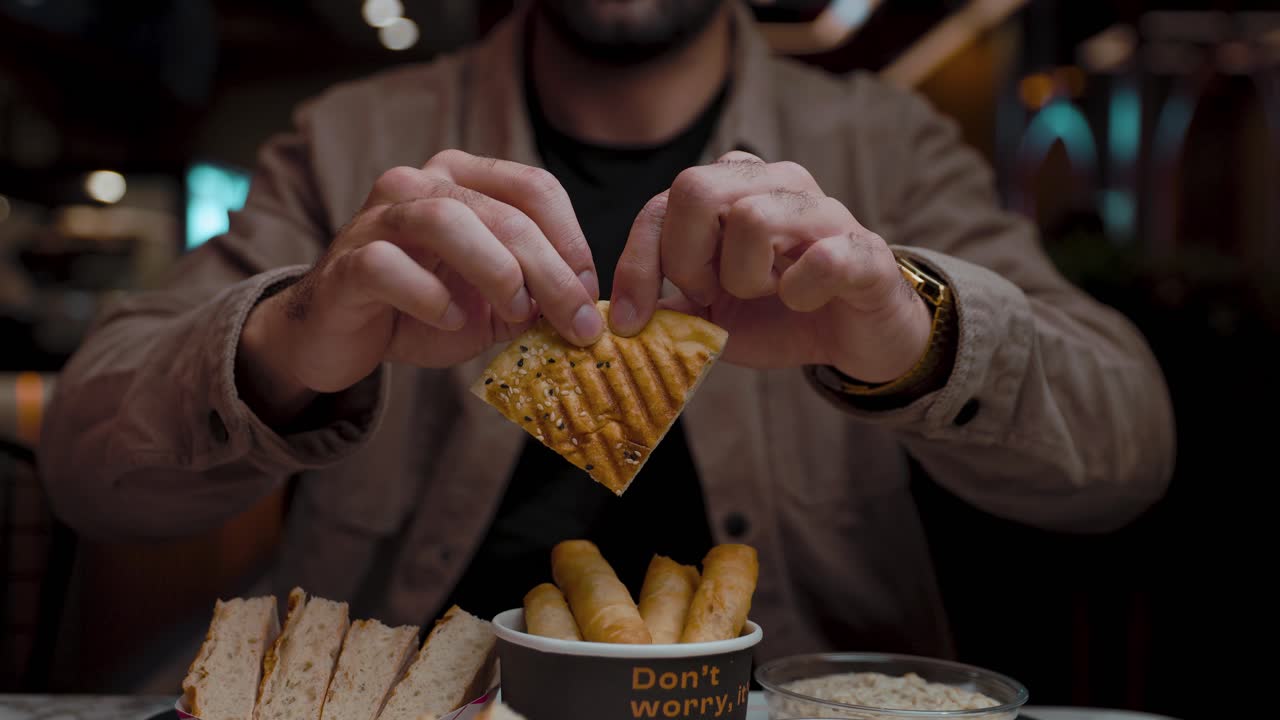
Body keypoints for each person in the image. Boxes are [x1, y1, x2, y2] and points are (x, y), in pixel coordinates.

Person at [40, 0, 1174, 670]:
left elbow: (1126, 457)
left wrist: (910, 329)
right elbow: (91, 470)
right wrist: (286, 345)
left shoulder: (883, 142)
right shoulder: (352, 143)